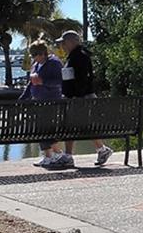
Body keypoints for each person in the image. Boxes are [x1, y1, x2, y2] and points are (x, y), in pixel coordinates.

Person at [59, 31, 111, 167]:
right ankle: (101, 149)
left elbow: (81, 79)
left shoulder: (79, 56)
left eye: (63, 43)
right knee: (84, 125)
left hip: (79, 98)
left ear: (71, 42)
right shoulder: (76, 56)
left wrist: (76, 96)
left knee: (72, 125)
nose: (62, 46)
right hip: (79, 97)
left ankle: (69, 155)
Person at [22, 42, 68, 169]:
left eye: (34, 55)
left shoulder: (54, 63)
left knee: (45, 129)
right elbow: (31, 84)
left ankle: (58, 153)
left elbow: (60, 81)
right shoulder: (36, 65)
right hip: (38, 102)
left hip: (51, 102)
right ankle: (49, 156)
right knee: (40, 129)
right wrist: (23, 99)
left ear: (42, 53)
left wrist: (43, 82)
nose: (33, 58)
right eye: (32, 55)